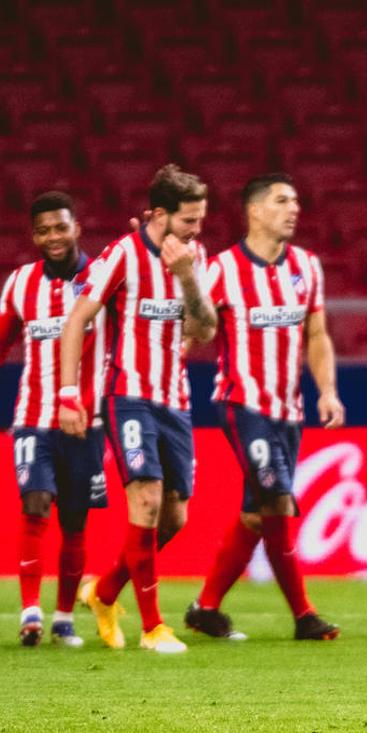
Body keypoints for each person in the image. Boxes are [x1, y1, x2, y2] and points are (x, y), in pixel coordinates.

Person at [60, 164, 218, 654]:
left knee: (174, 518)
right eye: (189, 220)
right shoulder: (122, 255)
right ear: (158, 215)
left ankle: (105, 592)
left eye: (200, 219)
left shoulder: (196, 256)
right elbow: (76, 321)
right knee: (146, 501)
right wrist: (68, 394)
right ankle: (154, 628)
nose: (197, 229)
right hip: (129, 394)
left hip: (176, 400)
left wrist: (187, 276)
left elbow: (205, 329)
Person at [182, 173, 344, 641]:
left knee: (257, 514)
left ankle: (206, 607)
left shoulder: (308, 267)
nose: (293, 208)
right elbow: (195, 331)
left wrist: (328, 391)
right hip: (241, 403)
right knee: (276, 499)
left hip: (288, 411)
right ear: (254, 211)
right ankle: (304, 615)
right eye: (281, 200)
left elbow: (316, 335)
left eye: (295, 200)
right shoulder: (222, 269)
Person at [4, 192, 108, 647]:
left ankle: (64, 615)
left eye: (60, 227)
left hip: (88, 422)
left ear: (76, 227)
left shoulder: (104, 277)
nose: (53, 237)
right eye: (43, 230)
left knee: (75, 522)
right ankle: (30, 612)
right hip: (33, 418)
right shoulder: (20, 283)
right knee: (36, 503)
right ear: (34, 235)